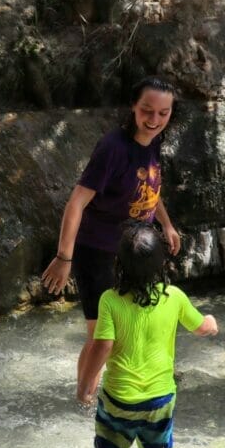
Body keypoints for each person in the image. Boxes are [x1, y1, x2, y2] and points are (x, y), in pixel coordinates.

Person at [41, 76, 181, 390]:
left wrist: (167, 224)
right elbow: (76, 202)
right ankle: (83, 397)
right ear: (134, 106)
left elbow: (150, 189)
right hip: (97, 252)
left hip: (132, 253)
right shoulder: (112, 148)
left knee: (134, 325)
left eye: (163, 113)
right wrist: (65, 257)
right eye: (147, 110)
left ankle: (126, 386)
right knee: (101, 336)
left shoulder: (154, 141)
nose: (154, 119)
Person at [76, 221, 218, 448]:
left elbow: (102, 346)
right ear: (162, 263)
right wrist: (211, 323)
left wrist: (85, 385)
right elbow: (201, 328)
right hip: (159, 400)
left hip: (119, 400)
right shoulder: (173, 296)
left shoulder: (110, 300)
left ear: (118, 264)